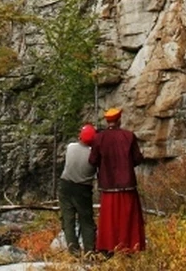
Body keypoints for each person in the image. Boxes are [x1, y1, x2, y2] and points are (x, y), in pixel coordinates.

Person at [88, 107, 145, 254]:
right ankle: (129, 247)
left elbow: (92, 160)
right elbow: (137, 159)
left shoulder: (99, 138)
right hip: (128, 185)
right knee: (128, 218)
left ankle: (108, 247)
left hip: (108, 186)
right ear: (119, 120)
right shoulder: (129, 136)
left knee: (109, 220)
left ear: (107, 121)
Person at [59, 123, 97, 254]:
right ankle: (89, 251)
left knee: (67, 220)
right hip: (83, 190)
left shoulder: (71, 147)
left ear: (80, 137)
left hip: (65, 185)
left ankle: (74, 251)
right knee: (86, 221)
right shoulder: (94, 155)